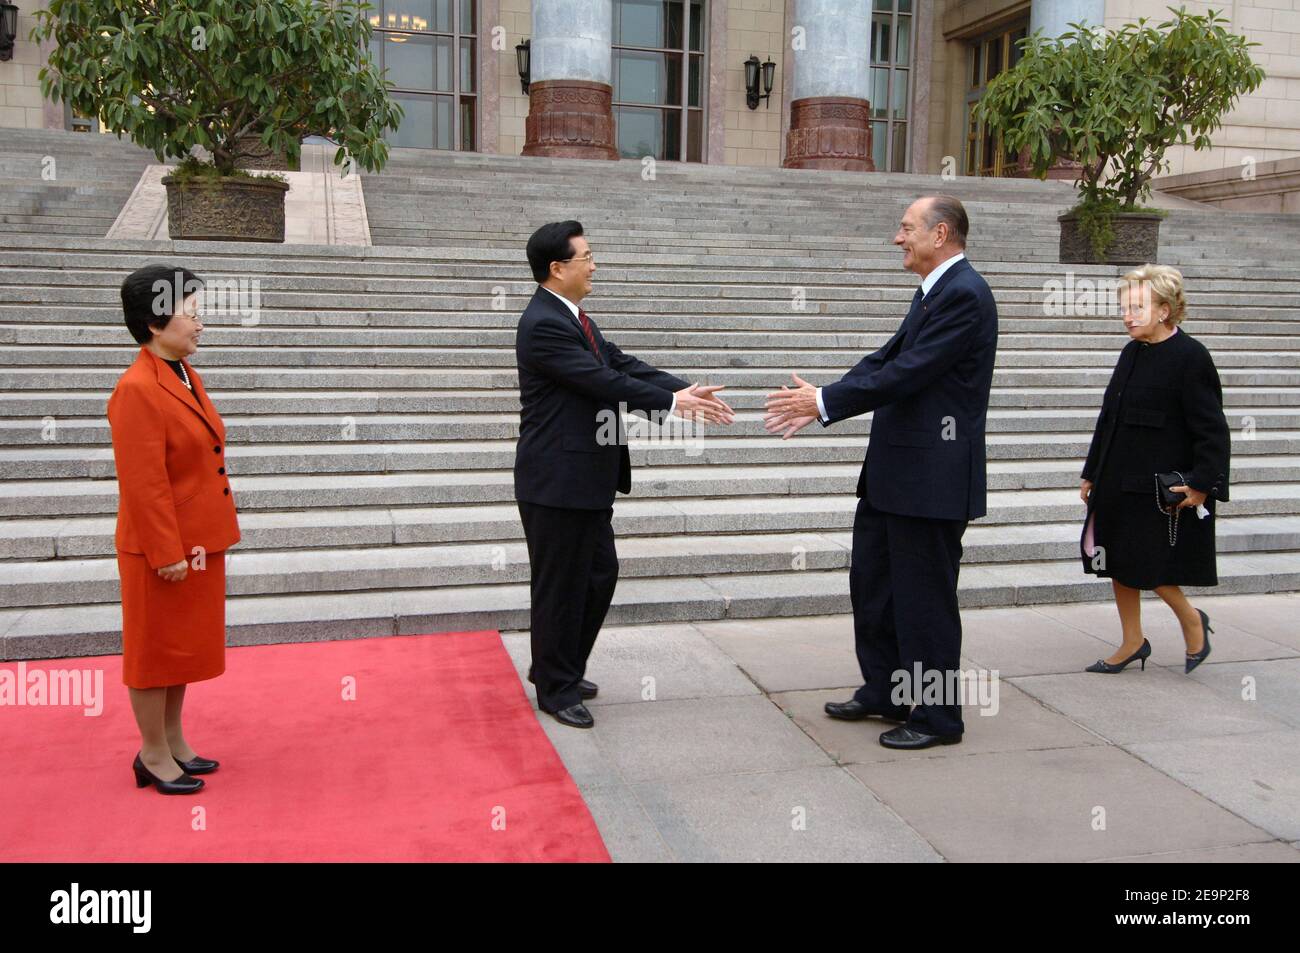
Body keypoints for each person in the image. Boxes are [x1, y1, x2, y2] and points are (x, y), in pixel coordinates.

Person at [764, 195, 997, 749]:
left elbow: (910, 373)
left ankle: (938, 717)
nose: (898, 237)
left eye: (906, 228)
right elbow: (885, 361)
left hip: (932, 481)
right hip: (897, 476)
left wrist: (826, 402)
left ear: (940, 234)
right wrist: (822, 397)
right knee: (876, 587)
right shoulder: (933, 292)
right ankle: (889, 690)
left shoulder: (965, 294)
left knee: (925, 601)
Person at [514, 221, 734, 728]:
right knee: (562, 586)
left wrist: (683, 391)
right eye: (586, 256)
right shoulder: (544, 323)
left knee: (596, 576)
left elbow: (620, 362)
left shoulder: (574, 318)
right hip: (557, 481)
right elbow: (599, 379)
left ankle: (561, 665)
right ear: (557, 268)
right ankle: (555, 686)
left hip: (584, 480)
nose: (595, 265)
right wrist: (671, 402)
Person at [108, 265, 240, 793]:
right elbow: (144, 484)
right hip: (161, 547)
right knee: (153, 651)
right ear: (154, 323)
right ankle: (152, 754)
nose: (200, 322)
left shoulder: (181, 372)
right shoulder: (137, 389)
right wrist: (167, 552)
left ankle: (175, 741)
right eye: (191, 311)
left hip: (199, 539)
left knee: (181, 646)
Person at [1079, 264, 1230, 674]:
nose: (1127, 315)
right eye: (1125, 307)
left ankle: (1192, 620)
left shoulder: (1191, 358)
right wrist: (1091, 472)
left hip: (1157, 491)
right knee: (1115, 562)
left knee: (1152, 566)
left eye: (1137, 307)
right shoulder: (1131, 352)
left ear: (1164, 310)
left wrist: (1202, 484)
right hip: (1116, 482)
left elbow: (1212, 430)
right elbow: (1109, 416)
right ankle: (1132, 642)